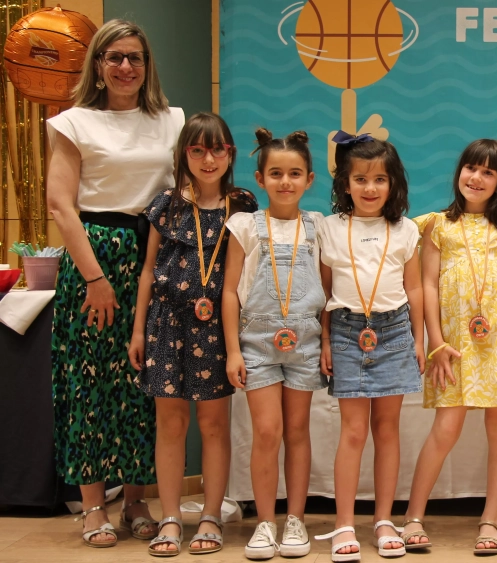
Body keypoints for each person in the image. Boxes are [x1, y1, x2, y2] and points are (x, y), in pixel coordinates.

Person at [46, 19, 184, 549]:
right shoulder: (73, 122)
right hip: (97, 255)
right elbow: (61, 205)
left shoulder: (172, 120)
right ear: (98, 65)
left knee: (146, 382)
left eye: (135, 58)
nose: (126, 67)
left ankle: (136, 499)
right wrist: (95, 278)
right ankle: (92, 505)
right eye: (114, 57)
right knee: (92, 380)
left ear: (147, 66)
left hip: (156, 254)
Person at [128, 112, 257, 555]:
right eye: (197, 150)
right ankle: (169, 517)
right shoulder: (166, 206)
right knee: (171, 422)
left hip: (217, 328)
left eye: (217, 149)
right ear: (184, 154)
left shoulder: (242, 205)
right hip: (166, 324)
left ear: (230, 154)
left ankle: (210, 516)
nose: (208, 159)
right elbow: (148, 272)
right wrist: (138, 330)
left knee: (214, 424)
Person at [401, 140, 497, 555]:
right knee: (445, 428)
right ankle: (413, 516)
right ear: (459, 171)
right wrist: (436, 341)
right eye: (471, 168)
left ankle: (491, 519)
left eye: (488, 172)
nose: (476, 178)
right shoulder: (437, 225)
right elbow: (427, 284)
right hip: (453, 344)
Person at [312, 135, 423, 561]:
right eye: (360, 179)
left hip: (394, 331)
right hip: (346, 330)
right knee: (354, 431)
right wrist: (325, 339)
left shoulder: (406, 229)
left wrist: (419, 340)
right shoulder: (329, 227)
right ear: (345, 183)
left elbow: (415, 288)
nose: (370, 188)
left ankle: (383, 519)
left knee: (387, 429)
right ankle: (344, 523)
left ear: (394, 183)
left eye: (380, 179)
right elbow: (324, 292)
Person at [221, 129, 326, 560]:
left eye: (295, 173)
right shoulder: (244, 225)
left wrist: (327, 342)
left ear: (309, 179)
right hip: (257, 343)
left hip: (305, 343)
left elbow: (328, 290)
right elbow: (230, 291)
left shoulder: (318, 226)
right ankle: (265, 522)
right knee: (267, 431)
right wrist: (233, 350)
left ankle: (295, 519)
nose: (286, 182)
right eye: (276, 173)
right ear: (260, 178)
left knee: (298, 431)